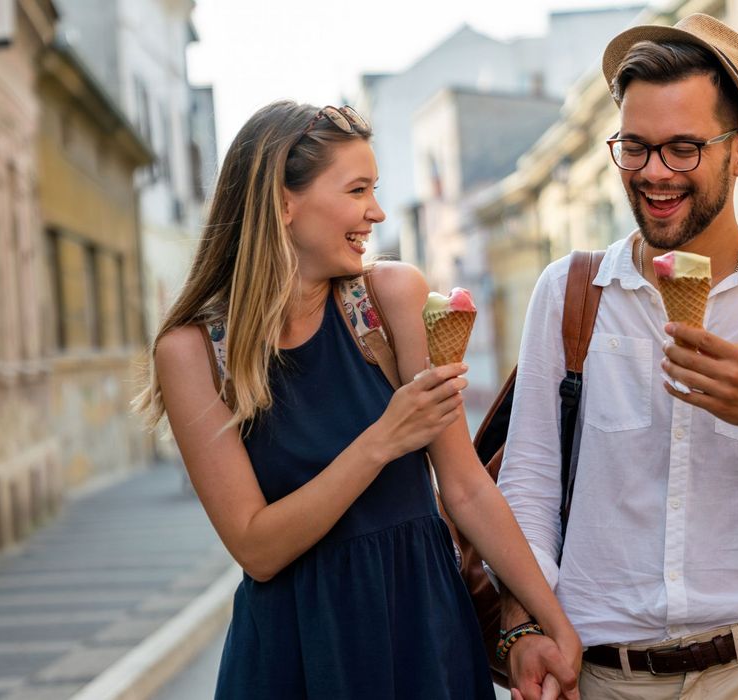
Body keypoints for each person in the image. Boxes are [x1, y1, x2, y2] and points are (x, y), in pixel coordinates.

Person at [495, 14, 738, 700]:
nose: (653, 174)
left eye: (682, 149)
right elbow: (529, 486)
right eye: (634, 147)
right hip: (606, 675)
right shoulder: (570, 292)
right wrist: (518, 623)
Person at [134, 101, 581, 699]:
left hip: (423, 633)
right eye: (357, 189)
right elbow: (256, 546)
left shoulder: (391, 299)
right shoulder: (192, 352)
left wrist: (551, 622)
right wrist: (382, 441)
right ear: (282, 202)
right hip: (297, 655)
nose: (377, 212)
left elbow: (467, 487)